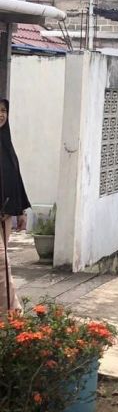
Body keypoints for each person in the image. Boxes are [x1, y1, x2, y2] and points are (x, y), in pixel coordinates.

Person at [0, 99, 30, 313]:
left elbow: (14, 178)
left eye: (3, 111)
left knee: (3, 262)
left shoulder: (6, 144)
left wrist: (20, 211)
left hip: (5, 216)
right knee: (1, 262)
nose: (1, 115)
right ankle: (13, 311)